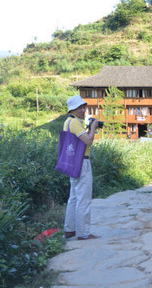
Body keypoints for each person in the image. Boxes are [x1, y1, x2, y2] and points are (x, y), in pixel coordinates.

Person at [63, 95, 101, 240]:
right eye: (80, 107)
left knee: (73, 197)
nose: (83, 110)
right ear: (72, 109)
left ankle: (70, 229)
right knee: (83, 198)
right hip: (82, 162)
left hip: (72, 162)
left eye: (83, 106)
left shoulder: (67, 122)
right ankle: (83, 233)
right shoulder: (75, 123)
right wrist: (92, 128)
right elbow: (88, 141)